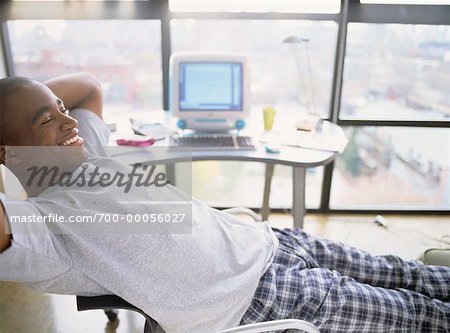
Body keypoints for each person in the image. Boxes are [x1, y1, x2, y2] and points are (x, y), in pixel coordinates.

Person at [0, 73, 449, 333]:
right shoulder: (44, 228)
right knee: (425, 317)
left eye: (60, 109)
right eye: (47, 119)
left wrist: (30, 96)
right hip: (267, 298)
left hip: (269, 242)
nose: (66, 120)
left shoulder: (85, 153)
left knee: (409, 273)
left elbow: (88, 90)